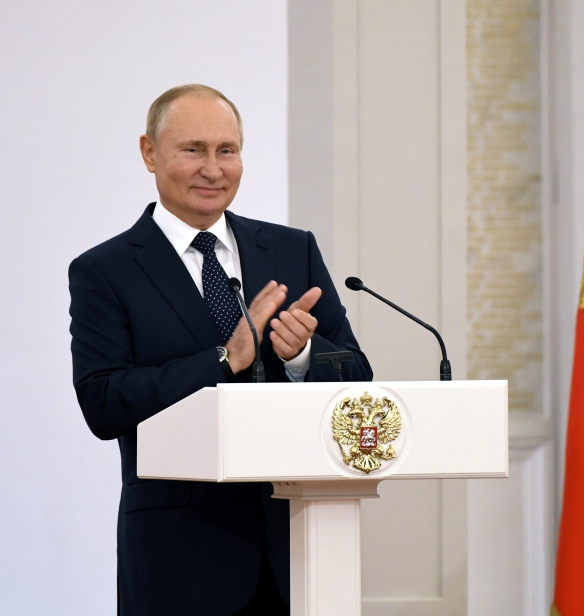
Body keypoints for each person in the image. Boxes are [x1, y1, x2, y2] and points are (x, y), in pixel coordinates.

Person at [68, 84, 371, 616]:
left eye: (226, 150)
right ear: (149, 153)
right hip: (180, 557)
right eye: (193, 150)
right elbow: (104, 402)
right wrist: (224, 360)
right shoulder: (105, 271)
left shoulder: (291, 249)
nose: (213, 169)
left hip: (296, 549)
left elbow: (358, 376)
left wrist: (301, 357)